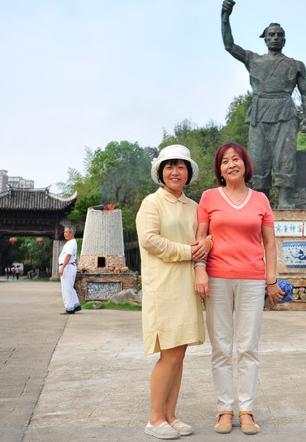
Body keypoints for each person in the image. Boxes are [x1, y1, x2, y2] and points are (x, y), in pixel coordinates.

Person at [194, 142, 285, 435]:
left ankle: (246, 409)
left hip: (252, 280)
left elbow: (269, 243)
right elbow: (200, 240)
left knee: (248, 347)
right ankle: (225, 409)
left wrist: (270, 281)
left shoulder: (261, 200)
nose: (231, 164)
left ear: (246, 164)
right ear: (219, 170)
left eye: (236, 159)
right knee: (221, 347)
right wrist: (200, 272)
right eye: (224, 161)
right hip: (217, 279)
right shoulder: (208, 198)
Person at [136, 144, 212, 440]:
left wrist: (206, 245)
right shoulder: (151, 203)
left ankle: (170, 415)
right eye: (169, 166)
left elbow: (203, 239)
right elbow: (149, 240)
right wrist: (188, 252)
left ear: (189, 172)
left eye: (181, 166)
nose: (175, 171)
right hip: (164, 286)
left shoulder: (195, 207)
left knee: (179, 354)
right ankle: (155, 418)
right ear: (160, 172)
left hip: (188, 286)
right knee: (168, 354)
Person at [221, 0, 306, 208]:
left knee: (285, 156)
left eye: (279, 35)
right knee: (259, 158)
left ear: (285, 40)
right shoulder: (254, 60)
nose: (275, 38)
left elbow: (305, 93)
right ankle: (261, 201)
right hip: (259, 111)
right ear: (265, 39)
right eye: (271, 35)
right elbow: (229, 45)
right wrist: (225, 16)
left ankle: (284, 199)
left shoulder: (295, 64)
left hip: (285, 112)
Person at [57, 226, 81, 315]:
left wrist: (62, 268)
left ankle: (69, 308)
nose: (64, 234)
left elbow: (68, 256)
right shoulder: (70, 242)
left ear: (71, 233)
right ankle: (75, 304)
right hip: (69, 267)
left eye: (66, 232)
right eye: (64, 232)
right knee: (70, 287)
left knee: (66, 289)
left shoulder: (71, 243)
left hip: (67, 267)